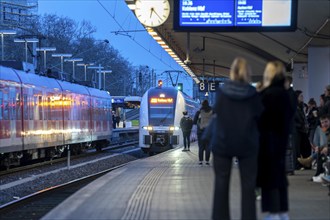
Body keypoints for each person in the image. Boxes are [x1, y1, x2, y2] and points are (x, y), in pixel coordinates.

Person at [211, 57, 263, 220]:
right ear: (247, 73)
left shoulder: (222, 92)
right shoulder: (253, 93)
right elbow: (259, 118)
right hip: (247, 144)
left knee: (221, 185)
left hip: (223, 143)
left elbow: (217, 114)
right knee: (248, 187)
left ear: (231, 72)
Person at [257, 61, 295, 220]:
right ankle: (282, 211)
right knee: (279, 175)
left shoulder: (268, 94)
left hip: (267, 141)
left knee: (269, 177)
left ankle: (274, 212)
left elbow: (260, 119)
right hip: (281, 140)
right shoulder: (287, 94)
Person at [193, 99, 213, 165]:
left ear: (202, 104)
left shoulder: (199, 112)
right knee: (208, 147)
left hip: (200, 132)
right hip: (210, 132)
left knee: (201, 147)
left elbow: (194, 122)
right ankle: (207, 161)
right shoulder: (212, 111)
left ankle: (200, 161)